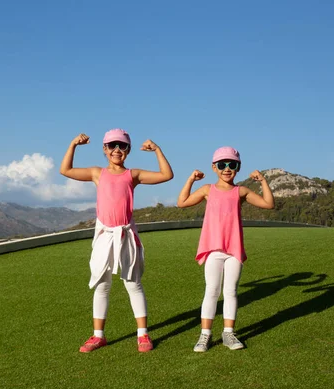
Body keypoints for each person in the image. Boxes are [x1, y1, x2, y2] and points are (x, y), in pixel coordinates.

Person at [60, 128, 174, 353]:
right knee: (102, 285)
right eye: (112, 146)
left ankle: (143, 335)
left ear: (128, 150)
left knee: (133, 283)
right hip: (104, 235)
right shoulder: (96, 173)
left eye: (122, 146)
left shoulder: (132, 175)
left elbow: (166, 175)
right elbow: (65, 170)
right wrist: (73, 144)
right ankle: (98, 336)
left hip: (126, 234)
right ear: (104, 149)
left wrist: (157, 150)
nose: (117, 150)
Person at [176, 146, 274, 352]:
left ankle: (229, 334)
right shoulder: (207, 190)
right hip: (213, 249)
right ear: (214, 167)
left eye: (232, 165)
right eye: (222, 164)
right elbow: (182, 202)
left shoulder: (242, 191)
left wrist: (263, 181)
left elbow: (268, 204)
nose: (227, 169)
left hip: (234, 251)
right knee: (211, 291)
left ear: (238, 167)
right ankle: (205, 335)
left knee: (230, 292)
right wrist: (191, 179)